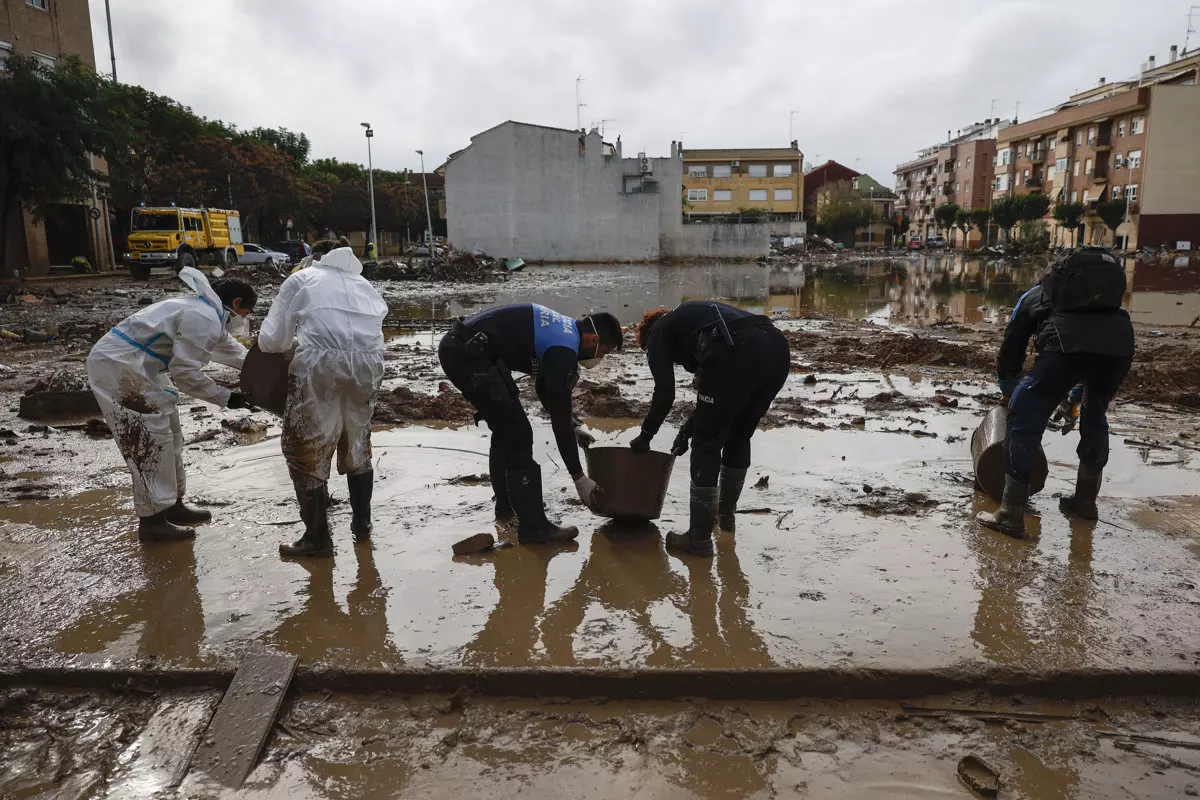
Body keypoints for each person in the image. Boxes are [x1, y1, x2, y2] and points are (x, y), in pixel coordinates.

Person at [86, 268, 255, 542]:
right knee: (149, 441)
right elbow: (185, 374)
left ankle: (173, 506)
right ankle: (152, 521)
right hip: (119, 366)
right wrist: (227, 397)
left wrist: (265, 370)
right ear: (237, 304)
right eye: (246, 312)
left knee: (172, 434)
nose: (243, 319)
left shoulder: (208, 314)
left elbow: (235, 353)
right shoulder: (202, 317)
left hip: (140, 367)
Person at [977, 246, 1134, 537]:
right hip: (1119, 345)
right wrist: (1073, 399)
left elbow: (1011, 352)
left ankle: (1010, 513)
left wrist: (1010, 391)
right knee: (1096, 412)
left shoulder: (1034, 297)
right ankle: (1085, 502)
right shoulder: (1105, 302)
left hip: (1066, 346)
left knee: (1025, 413)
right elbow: (1090, 361)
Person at [437, 304, 623, 544]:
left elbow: (544, 387)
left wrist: (573, 423)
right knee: (518, 434)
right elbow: (558, 420)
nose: (600, 358)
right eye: (603, 352)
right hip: (468, 356)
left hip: (465, 348)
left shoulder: (565, 330)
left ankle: (506, 507)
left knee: (507, 429)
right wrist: (579, 477)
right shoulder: (563, 349)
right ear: (593, 339)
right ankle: (534, 527)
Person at [630, 302, 789, 557]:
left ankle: (699, 539)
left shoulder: (658, 333)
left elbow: (665, 393)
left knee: (706, 444)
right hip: (776, 348)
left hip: (739, 349)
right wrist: (686, 430)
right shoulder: (694, 319)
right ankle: (726, 519)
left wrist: (645, 436)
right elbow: (716, 403)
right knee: (739, 433)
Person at [259, 245, 388, 557]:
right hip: (370, 365)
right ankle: (362, 525)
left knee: (304, 447)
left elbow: (271, 341)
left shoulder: (302, 279)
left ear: (314, 259)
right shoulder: (364, 284)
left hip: (319, 364)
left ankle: (317, 537)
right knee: (357, 441)